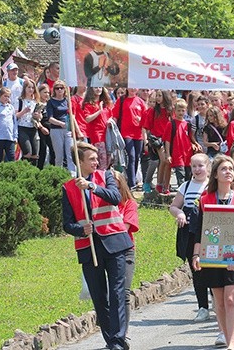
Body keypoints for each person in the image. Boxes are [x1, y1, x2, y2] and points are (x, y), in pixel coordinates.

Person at [62, 142, 133, 350]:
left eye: (96, 158)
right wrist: (80, 229)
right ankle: (111, 340)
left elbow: (116, 197)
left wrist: (92, 186)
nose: (96, 162)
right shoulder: (68, 188)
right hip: (89, 247)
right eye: (91, 159)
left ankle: (119, 341)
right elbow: (67, 223)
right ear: (79, 162)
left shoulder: (106, 176)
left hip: (115, 242)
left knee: (117, 292)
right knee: (99, 297)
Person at [192, 155, 234, 350]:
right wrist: (196, 255)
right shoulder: (205, 199)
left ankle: (232, 342)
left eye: (231, 169)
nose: (228, 172)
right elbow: (199, 230)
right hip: (213, 253)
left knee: (231, 298)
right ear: (215, 174)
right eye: (224, 169)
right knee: (220, 302)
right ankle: (225, 334)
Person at [169, 153, 211, 323]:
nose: (197, 169)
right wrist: (179, 213)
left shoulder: (212, 186)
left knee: (212, 268)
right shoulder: (185, 186)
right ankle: (203, 307)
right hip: (189, 232)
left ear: (208, 167)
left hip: (208, 232)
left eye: (200, 165)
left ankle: (216, 298)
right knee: (197, 270)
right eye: (193, 166)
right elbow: (173, 206)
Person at [111, 170, 139, 337]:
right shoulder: (102, 204)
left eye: (115, 182)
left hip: (125, 251)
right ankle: (111, 333)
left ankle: (123, 333)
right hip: (106, 251)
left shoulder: (129, 204)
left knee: (124, 293)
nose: (112, 185)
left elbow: (124, 229)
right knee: (110, 294)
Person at [111, 88, 147, 188]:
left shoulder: (140, 102)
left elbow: (146, 120)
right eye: (130, 87)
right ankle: (132, 184)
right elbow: (115, 115)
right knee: (131, 156)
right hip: (126, 133)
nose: (132, 89)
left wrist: (140, 120)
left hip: (138, 134)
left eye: (134, 87)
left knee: (136, 158)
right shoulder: (121, 100)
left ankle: (132, 178)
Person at [47, 81, 75, 174]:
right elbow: (50, 118)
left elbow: (72, 114)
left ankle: (72, 175)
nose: (59, 90)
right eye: (57, 88)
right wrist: (60, 123)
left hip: (68, 129)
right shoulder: (51, 102)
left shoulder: (67, 101)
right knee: (59, 156)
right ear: (54, 90)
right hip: (56, 129)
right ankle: (58, 174)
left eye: (61, 88)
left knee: (70, 154)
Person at [83, 87, 113, 170]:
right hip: (97, 136)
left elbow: (111, 116)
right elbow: (87, 119)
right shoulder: (88, 104)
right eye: (95, 87)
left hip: (108, 135)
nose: (98, 89)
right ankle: (101, 179)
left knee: (109, 160)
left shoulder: (106, 103)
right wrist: (99, 110)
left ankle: (104, 178)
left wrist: (111, 121)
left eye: (100, 87)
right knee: (102, 160)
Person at [16, 79, 40, 165]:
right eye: (29, 87)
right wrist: (24, 111)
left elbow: (39, 117)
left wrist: (38, 116)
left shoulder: (36, 102)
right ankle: (24, 170)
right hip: (22, 128)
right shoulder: (20, 101)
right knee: (27, 152)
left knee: (35, 154)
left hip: (33, 128)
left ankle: (34, 173)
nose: (31, 89)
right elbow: (16, 115)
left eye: (33, 87)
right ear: (25, 88)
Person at [0, 87, 18, 165]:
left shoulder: (11, 108)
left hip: (9, 136)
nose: (6, 98)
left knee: (11, 157)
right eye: (5, 96)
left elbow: (14, 122)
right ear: (0, 95)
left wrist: (15, 136)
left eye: (8, 96)